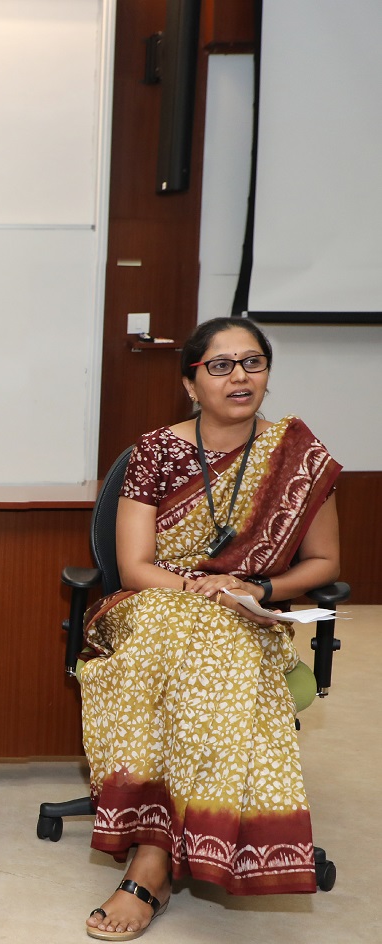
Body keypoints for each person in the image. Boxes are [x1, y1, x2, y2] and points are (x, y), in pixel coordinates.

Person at [80, 316, 341, 941]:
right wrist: (202, 590)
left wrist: (257, 590)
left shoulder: (299, 458)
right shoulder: (156, 450)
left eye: (252, 363)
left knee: (220, 653)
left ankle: (157, 856)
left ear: (268, 375)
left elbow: (325, 563)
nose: (239, 376)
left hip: (245, 615)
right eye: (219, 366)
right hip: (154, 603)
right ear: (191, 384)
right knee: (177, 651)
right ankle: (159, 851)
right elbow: (135, 567)